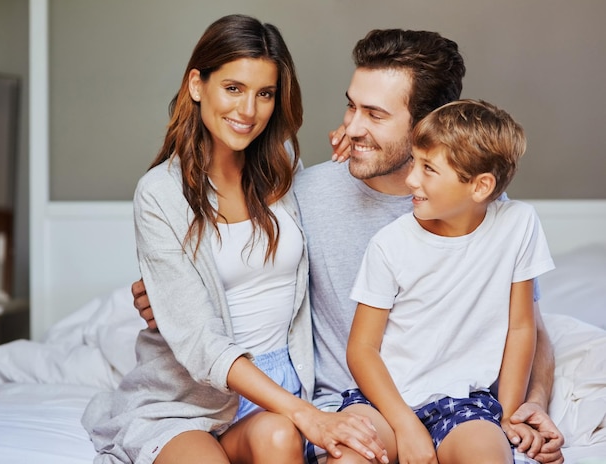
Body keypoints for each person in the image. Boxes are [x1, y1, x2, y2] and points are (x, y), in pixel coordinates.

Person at [132, 27, 565, 464]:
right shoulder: (303, 189)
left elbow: (527, 325)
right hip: (349, 409)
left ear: (428, 122)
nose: (352, 126)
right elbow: (224, 269)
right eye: (351, 106)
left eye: (375, 115)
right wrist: (171, 295)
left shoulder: (479, 208)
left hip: (456, 412)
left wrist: (533, 404)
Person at [82, 14, 387, 464]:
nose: (248, 111)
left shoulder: (282, 164)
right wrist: (309, 416)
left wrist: (357, 148)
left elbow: (336, 229)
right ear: (196, 85)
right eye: (233, 88)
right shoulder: (160, 193)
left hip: (284, 383)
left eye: (264, 94)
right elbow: (201, 341)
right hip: (191, 395)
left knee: (281, 437)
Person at [338, 99, 555, 464]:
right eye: (414, 162)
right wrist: (407, 427)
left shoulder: (519, 225)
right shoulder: (391, 244)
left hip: (464, 403)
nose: (411, 180)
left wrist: (507, 415)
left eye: (428, 169)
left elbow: (521, 328)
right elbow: (362, 349)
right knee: (350, 455)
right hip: (385, 401)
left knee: (488, 456)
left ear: (480, 186)